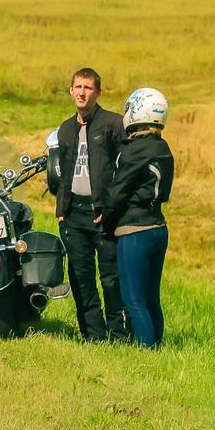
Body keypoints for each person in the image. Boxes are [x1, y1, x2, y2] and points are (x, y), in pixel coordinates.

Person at [47, 67, 129, 342]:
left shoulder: (113, 124)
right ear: (71, 91)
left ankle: (118, 335)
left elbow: (125, 171)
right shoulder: (66, 129)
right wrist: (61, 212)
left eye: (88, 88)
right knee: (81, 278)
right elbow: (60, 173)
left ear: (98, 92)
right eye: (77, 87)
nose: (82, 93)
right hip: (73, 215)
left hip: (103, 214)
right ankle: (93, 336)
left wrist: (112, 208)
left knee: (111, 278)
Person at [102, 88, 174, 349]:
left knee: (133, 301)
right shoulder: (162, 147)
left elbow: (117, 191)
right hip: (159, 227)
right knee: (152, 298)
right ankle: (158, 347)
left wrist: (105, 220)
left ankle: (147, 354)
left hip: (135, 231)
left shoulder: (134, 149)